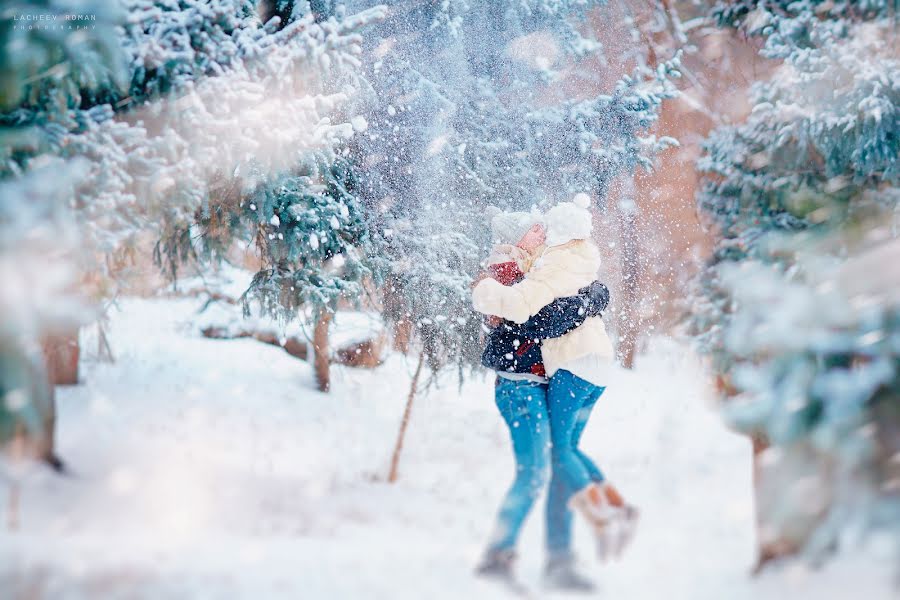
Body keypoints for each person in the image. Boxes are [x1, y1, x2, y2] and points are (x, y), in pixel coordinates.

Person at [472, 194, 639, 566]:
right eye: (533, 229)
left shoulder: (541, 268)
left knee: (557, 462)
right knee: (539, 470)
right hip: (520, 385)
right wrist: (588, 300)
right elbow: (538, 318)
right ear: (518, 238)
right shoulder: (508, 269)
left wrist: (591, 295)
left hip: (543, 381)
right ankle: (501, 553)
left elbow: (560, 302)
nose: (541, 231)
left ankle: (562, 552)